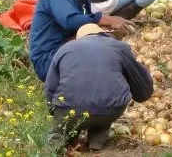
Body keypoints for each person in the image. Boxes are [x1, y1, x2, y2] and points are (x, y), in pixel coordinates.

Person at [28, 0, 134, 82]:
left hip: (64, 48)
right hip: (48, 59)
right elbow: (69, 21)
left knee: (109, 44)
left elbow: (85, 26)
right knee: (105, 53)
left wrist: (108, 31)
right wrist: (105, 19)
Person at [45, 23, 154, 151]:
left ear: (79, 38)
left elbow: (50, 87)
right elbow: (142, 83)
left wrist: (56, 113)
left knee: (60, 131)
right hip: (110, 110)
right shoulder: (119, 47)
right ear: (103, 34)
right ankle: (97, 140)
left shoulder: (65, 49)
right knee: (102, 115)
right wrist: (141, 94)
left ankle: (57, 145)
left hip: (70, 111)